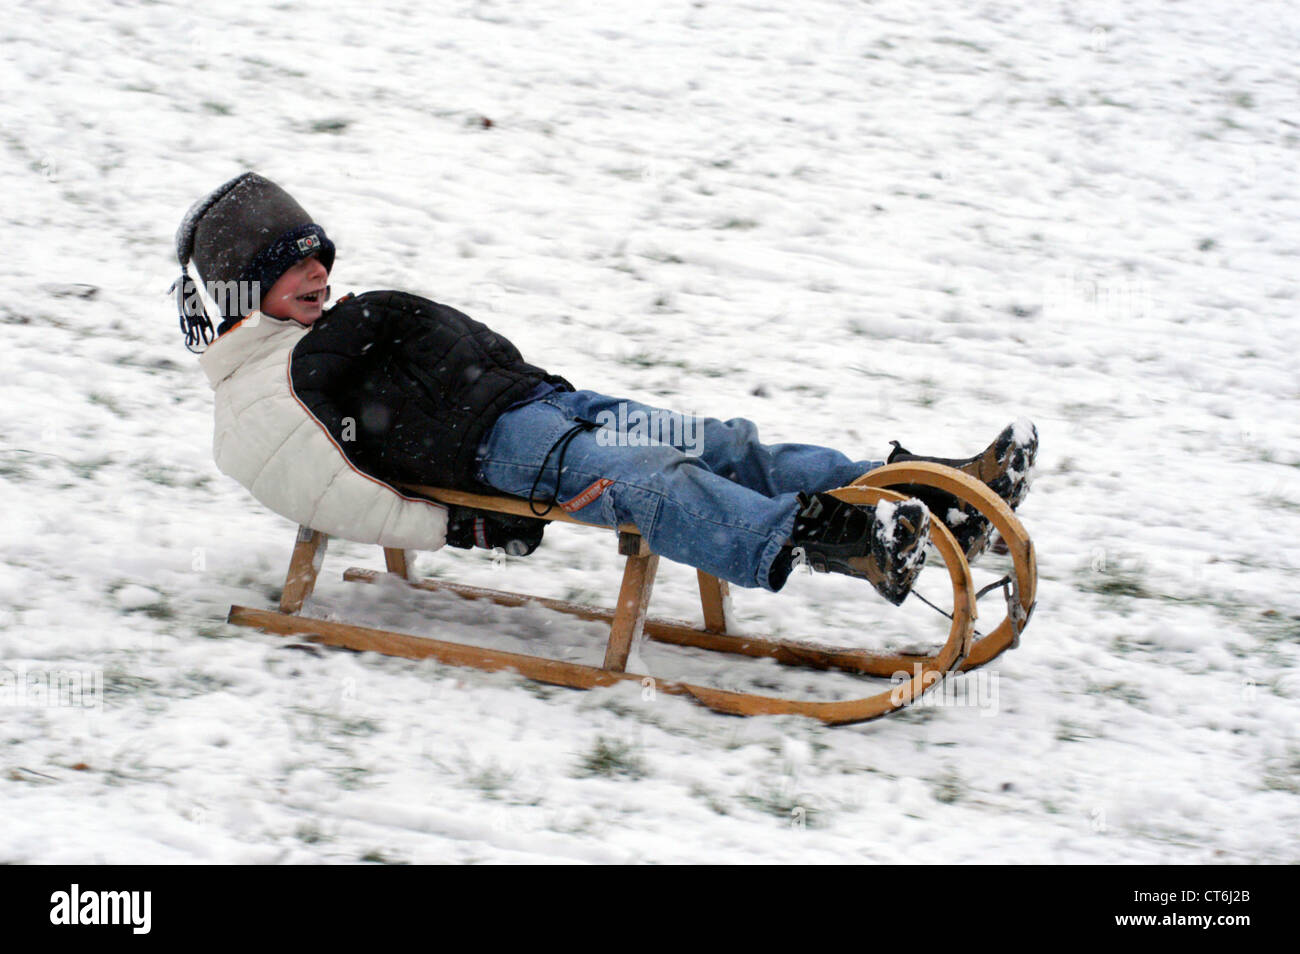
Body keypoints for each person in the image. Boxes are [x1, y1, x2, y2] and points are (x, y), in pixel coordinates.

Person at [175, 173, 1037, 604]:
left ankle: (933, 492)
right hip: (499, 453)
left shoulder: (322, 330)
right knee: (654, 485)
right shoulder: (255, 403)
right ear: (244, 296)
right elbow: (334, 495)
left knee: (720, 443)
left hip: (536, 401)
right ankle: (838, 539)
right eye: (295, 269)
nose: (322, 274)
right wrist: (461, 527)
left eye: (321, 257)